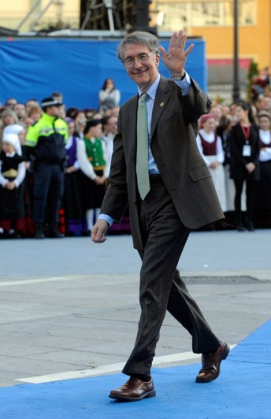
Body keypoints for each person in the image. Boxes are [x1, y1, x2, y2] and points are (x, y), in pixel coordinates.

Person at [90, 30, 228, 402]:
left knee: (151, 283)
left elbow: (201, 106)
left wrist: (181, 75)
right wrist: (106, 215)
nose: (136, 65)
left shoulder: (175, 92)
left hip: (176, 197)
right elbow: (120, 170)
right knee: (168, 285)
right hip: (141, 202)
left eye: (142, 57)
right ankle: (212, 345)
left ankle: (140, 374)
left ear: (157, 55)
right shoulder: (127, 110)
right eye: (129, 60)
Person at [24, 97, 68, 239]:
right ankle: (39, 227)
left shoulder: (63, 124)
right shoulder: (37, 126)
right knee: (40, 196)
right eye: (56, 106)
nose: (59, 109)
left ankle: (53, 227)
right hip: (43, 166)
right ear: (48, 109)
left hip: (58, 166)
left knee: (56, 196)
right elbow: (28, 148)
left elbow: (64, 145)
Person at [228, 101, 260, 231]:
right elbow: (234, 149)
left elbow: (258, 147)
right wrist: (245, 164)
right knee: (239, 193)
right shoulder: (235, 129)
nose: (237, 113)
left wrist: (253, 163)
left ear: (246, 112)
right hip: (239, 165)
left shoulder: (255, 127)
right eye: (236, 111)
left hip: (253, 164)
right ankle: (239, 221)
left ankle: (250, 221)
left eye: (239, 111)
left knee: (251, 194)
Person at [0, 132, 26, 238]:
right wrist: (4, 182)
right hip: (2, 186)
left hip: (15, 186)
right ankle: (1, 228)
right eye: (4, 144)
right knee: (2, 207)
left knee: (16, 206)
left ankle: (13, 228)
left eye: (8, 144)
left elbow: (21, 172)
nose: (5, 147)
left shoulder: (20, 159)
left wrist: (16, 183)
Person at [77, 119, 108, 234]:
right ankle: (90, 225)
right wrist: (93, 176)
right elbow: (83, 160)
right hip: (90, 175)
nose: (100, 131)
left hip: (101, 174)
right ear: (91, 128)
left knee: (100, 200)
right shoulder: (82, 142)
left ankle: (98, 224)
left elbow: (106, 158)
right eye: (99, 128)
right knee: (90, 200)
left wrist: (105, 175)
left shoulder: (101, 142)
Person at [196, 114, 227, 213]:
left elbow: (220, 152)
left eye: (213, 123)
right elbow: (199, 152)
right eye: (209, 123)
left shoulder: (217, 137)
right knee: (207, 191)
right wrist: (209, 163)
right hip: (205, 165)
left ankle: (220, 213)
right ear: (203, 124)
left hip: (216, 165)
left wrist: (218, 161)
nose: (212, 125)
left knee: (218, 189)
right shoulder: (199, 136)